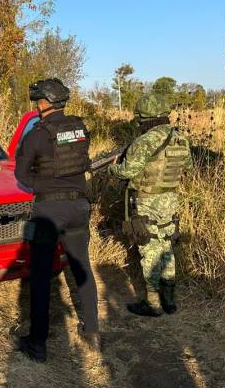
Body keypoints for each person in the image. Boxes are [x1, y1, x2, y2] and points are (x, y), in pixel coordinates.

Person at [13, 78, 100, 362]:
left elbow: (21, 175)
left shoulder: (37, 134)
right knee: (82, 266)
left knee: (40, 276)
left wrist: (41, 183)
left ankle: (37, 344)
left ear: (43, 103)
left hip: (50, 211)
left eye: (37, 101)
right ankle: (93, 333)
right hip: (79, 207)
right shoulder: (79, 128)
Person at [107, 93, 191, 317]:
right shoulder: (181, 139)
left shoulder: (144, 141)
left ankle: (153, 304)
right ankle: (169, 301)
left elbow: (127, 172)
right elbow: (187, 167)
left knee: (150, 248)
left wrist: (113, 167)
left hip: (146, 201)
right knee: (167, 245)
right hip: (170, 200)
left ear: (144, 117)